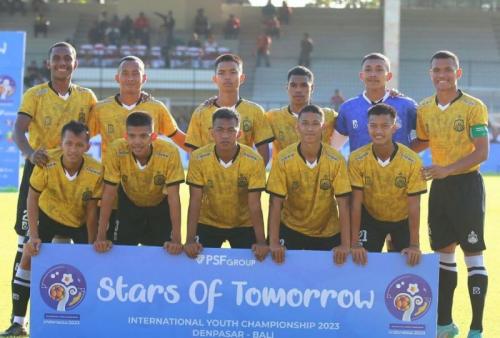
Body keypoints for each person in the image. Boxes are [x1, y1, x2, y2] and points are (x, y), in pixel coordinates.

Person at [2, 42, 97, 337]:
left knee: (76, 249)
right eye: (56, 58)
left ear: (75, 64)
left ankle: (77, 318)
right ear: (48, 64)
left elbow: (102, 125)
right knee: (28, 246)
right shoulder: (35, 94)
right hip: (40, 172)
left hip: (76, 176)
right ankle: (19, 321)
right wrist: (30, 153)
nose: (61, 63)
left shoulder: (87, 97)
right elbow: (18, 130)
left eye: (67, 58)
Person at [412, 51, 489, 338]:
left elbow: (482, 151)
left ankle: (477, 327)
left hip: (467, 186)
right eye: (436, 70)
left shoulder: (473, 106)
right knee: (443, 254)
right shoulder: (424, 108)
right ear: (430, 73)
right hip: (440, 188)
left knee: (473, 255)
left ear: (458, 73)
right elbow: (420, 142)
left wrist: (447, 168)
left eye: (447, 69)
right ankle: (445, 324)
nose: (441, 75)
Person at [2, 121, 102, 338]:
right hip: (48, 216)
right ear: (61, 143)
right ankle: (18, 322)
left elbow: (92, 211)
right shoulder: (47, 162)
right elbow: (33, 196)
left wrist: (91, 243)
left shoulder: (96, 170)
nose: (73, 149)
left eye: (78, 144)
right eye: (69, 143)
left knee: (90, 265)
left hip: (78, 221)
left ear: (87, 146)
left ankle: (88, 319)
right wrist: (34, 236)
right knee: (28, 255)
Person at [266, 104, 351, 265]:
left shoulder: (336, 159)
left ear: (323, 128)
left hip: (327, 230)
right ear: (297, 127)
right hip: (291, 228)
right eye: (305, 123)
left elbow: (344, 204)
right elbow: (275, 203)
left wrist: (345, 244)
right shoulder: (284, 158)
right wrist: (274, 241)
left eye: (315, 123)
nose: (310, 128)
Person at [184, 108, 268, 261]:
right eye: (220, 130)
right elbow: (195, 200)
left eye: (231, 130)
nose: (225, 135)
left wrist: (262, 242)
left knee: (251, 268)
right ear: (212, 133)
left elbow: (255, 205)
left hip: (243, 224)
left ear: (239, 134)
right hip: (208, 222)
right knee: (199, 267)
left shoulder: (254, 160)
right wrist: (189, 239)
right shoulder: (198, 158)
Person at [94, 112, 184, 254]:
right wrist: (100, 236)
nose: (137, 141)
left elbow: (174, 197)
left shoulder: (169, 151)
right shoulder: (116, 149)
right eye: (132, 136)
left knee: (164, 256)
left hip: (160, 207)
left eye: (143, 136)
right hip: (129, 205)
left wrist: (177, 238)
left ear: (153, 136)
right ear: (125, 136)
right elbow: (109, 194)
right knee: (120, 255)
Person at [348, 103, 426, 267]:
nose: (378, 131)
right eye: (373, 126)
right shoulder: (356, 159)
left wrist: (414, 245)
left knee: (405, 266)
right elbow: (355, 204)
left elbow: (414, 205)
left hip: (402, 219)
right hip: (371, 218)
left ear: (394, 127)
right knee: (361, 264)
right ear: (367, 127)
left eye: (384, 126)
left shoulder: (412, 161)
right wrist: (354, 243)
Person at [185, 54, 274, 164]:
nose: (227, 77)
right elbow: (193, 152)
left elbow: (263, 152)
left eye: (233, 72)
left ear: (242, 78)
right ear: (215, 79)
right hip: (210, 179)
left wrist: (253, 176)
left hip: (243, 178)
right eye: (221, 73)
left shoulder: (255, 111)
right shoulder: (201, 112)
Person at [331, 53, 417, 152]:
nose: (373, 74)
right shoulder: (348, 108)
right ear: (361, 76)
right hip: (360, 168)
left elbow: (427, 137)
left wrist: (405, 155)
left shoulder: (406, 105)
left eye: (379, 69)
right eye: (368, 70)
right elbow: (334, 147)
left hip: (400, 168)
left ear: (388, 76)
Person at [266, 66, 337, 161]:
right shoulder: (272, 117)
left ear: (312, 88)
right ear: (287, 87)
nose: (298, 90)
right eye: (293, 85)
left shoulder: (329, 116)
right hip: (283, 175)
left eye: (304, 85)